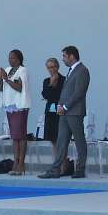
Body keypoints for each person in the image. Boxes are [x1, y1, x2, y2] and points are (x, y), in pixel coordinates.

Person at [40, 46, 90, 179]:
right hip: (64, 112)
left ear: (72, 56)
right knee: (61, 141)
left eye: (64, 56)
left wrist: (65, 106)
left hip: (74, 112)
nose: (63, 60)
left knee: (79, 141)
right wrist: (60, 106)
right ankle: (55, 169)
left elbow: (79, 92)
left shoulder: (82, 71)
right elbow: (66, 91)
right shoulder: (71, 71)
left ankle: (80, 169)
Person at [0, 49, 31, 176]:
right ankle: (15, 162)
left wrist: (6, 80)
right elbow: (2, 88)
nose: (10, 60)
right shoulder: (7, 70)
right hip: (10, 106)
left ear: (19, 59)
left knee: (21, 135)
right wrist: (0, 79)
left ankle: (21, 163)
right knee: (14, 136)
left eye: (12, 58)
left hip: (20, 106)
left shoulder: (23, 70)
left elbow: (19, 87)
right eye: (9, 57)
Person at [41, 58, 63, 147]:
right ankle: (56, 159)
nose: (51, 70)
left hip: (60, 112)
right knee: (52, 139)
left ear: (57, 67)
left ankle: (63, 160)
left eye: (53, 67)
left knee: (61, 139)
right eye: (49, 67)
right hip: (50, 112)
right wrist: (51, 84)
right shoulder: (46, 81)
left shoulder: (64, 80)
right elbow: (45, 95)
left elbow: (60, 95)